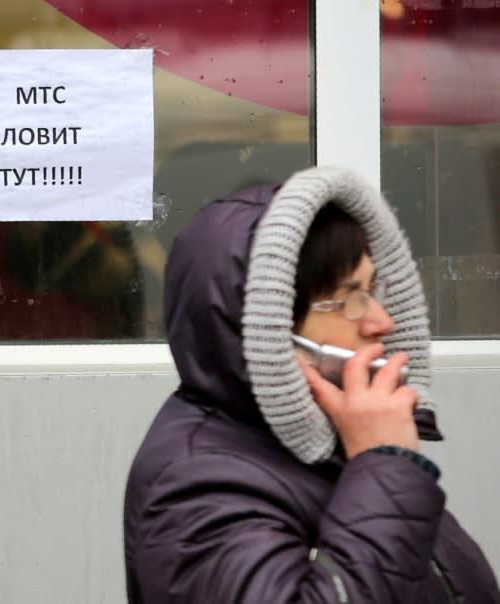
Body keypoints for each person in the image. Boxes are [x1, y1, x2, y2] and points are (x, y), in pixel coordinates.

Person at [123, 166, 500, 603]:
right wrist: (385, 462)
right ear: (271, 325)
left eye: (374, 290)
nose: (383, 321)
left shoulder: (329, 444)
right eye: (350, 299)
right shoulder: (195, 488)